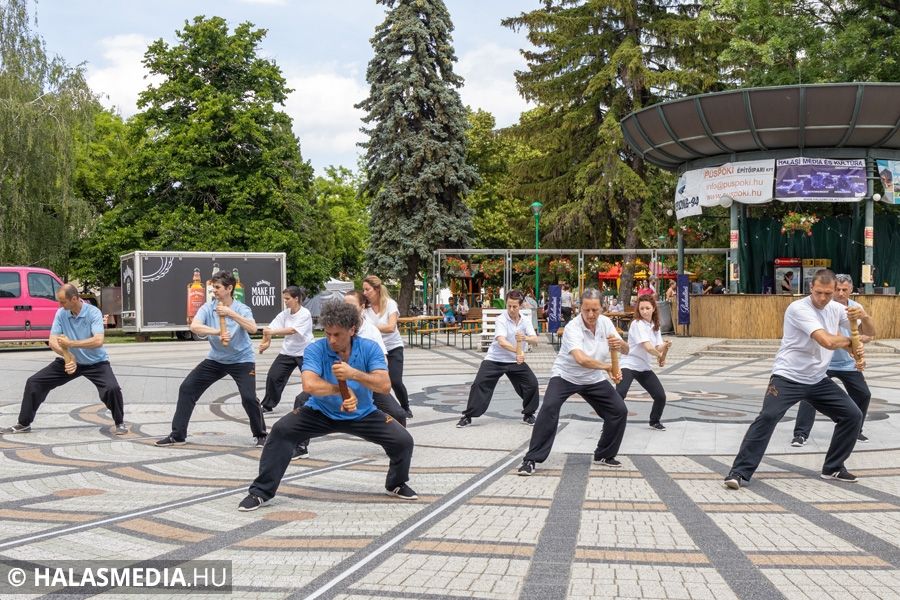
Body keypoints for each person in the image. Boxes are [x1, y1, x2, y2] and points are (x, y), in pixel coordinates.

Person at [238, 301, 416, 511]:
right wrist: (340, 390)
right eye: (328, 333)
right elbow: (309, 384)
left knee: (403, 441)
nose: (331, 340)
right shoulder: (315, 349)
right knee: (280, 430)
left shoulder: (369, 348)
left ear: (352, 330)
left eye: (337, 335)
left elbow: (384, 386)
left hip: (363, 413)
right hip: (319, 412)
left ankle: (395, 484)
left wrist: (353, 374)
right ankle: (260, 492)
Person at [724, 270, 873, 489]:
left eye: (828, 293)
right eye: (819, 292)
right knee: (768, 417)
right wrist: (851, 343)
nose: (823, 298)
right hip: (788, 376)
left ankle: (833, 467)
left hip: (817, 379)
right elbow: (826, 341)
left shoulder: (835, 308)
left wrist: (865, 316)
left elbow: (869, 333)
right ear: (811, 288)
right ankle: (739, 472)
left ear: (834, 291)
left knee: (853, 415)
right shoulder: (798, 308)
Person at [517, 288, 629, 476]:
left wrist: (621, 344)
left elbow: (625, 350)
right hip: (566, 375)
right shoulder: (572, 327)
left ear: (602, 308)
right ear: (579, 308)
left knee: (619, 411)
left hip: (593, 378)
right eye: (587, 310)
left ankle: (604, 454)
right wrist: (607, 367)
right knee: (549, 408)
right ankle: (531, 459)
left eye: (595, 310)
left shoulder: (606, 323)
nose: (591, 315)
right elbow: (581, 359)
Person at [291, 290, 408, 459]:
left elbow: (382, 364)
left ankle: (396, 446)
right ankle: (300, 445)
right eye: (344, 304)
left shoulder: (371, 331)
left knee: (397, 413)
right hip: (334, 381)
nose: (347, 307)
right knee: (302, 399)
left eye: (351, 305)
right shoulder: (332, 329)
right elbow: (319, 357)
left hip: (364, 382)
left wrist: (360, 374)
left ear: (362, 307)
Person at [156, 271, 267, 447]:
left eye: (217, 287)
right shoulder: (208, 308)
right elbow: (195, 326)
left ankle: (261, 435)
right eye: (213, 287)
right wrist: (217, 332)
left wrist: (231, 313)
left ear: (229, 289)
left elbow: (253, 328)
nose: (214, 290)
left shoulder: (242, 309)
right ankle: (178, 435)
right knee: (187, 388)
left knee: (248, 398)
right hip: (216, 360)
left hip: (242, 360)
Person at [3, 283, 127, 436]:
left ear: (74, 299)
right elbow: (52, 341)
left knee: (112, 389)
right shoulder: (61, 313)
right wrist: (68, 356)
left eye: (62, 301)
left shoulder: (93, 312)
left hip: (96, 363)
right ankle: (23, 424)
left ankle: (119, 422)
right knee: (34, 382)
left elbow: (98, 340)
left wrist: (71, 344)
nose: (59, 305)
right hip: (69, 361)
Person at [791, 273, 873, 446]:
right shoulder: (825, 307)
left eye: (845, 290)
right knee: (809, 395)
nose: (841, 293)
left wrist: (860, 339)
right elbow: (829, 338)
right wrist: (851, 343)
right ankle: (801, 433)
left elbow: (867, 334)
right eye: (838, 290)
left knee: (863, 394)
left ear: (851, 290)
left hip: (847, 363)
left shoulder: (855, 308)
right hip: (824, 362)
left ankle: (856, 430)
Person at [456, 290, 541, 428]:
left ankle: (529, 414)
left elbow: (535, 339)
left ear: (520, 306)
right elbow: (502, 342)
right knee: (479, 384)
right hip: (495, 359)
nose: (511, 309)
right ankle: (468, 416)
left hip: (515, 361)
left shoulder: (525, 321)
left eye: (515, 306)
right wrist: (518, 351)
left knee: (532, 384)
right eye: (509, 306)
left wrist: (524, 338)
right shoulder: (501, 319)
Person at [616, 295, 672, 430]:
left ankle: (654, 421)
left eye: (647, 308)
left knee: (660, 396)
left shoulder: (655, 325)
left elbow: (657, 347)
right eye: (642, 309)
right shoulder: (637, 324)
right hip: (629, 364)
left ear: (653, 308)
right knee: (619, 394)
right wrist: (659, 355)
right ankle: (610, 422)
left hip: (644, 367)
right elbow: (648, 347)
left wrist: (665, 346)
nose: (645, 311)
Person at [363, 275, 412, 419]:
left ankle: (405, 407)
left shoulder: (390, 304)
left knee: (395, 381)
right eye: (363, 290)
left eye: (367, 289)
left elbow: (391, 327)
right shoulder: (365, 308)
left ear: (377, 289)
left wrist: (372, 327)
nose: (364, 293)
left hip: (393, 347)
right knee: (377, 381)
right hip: (375, 350)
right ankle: (381, 408)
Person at [258, 286, 314, 413]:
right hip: (288, 352)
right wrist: (267, 342)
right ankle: (267, 405)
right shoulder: (284, 314)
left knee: (310, 380)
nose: (285, 301)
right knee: (273, 376)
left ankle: (312, 405)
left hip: (305, 352)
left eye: (287, 299)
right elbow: (269, 328)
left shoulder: (305, 314)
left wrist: (272, 332)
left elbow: (292, 330)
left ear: (296, 298)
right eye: (284, 299)